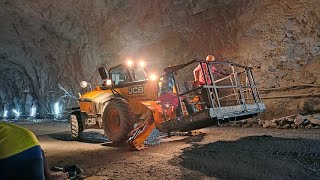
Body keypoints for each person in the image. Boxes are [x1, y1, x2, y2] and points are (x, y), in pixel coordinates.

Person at [0, 121, 68, 180]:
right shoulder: (6, 127)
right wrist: (48, 176)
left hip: (10, 157)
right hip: (34, 149)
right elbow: (41, 151)